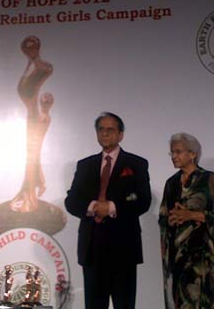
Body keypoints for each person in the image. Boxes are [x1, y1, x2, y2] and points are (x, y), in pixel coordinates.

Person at [65, 112, 151, 309]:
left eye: (110, 129)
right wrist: (93, 207)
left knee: (124, 305)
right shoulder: (85, 165)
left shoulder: (136, 164)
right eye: (101, 129)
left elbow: (143, 200)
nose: (105, 133)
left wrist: (111, 207)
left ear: (120, 135)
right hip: (92, 248)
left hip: (123, 248)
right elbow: (72, 201)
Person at [159, 133, 214, 309]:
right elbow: (163, 218)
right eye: (172, 152)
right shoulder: (171, 183)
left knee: (205, 301)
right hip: (178, 257)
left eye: (178, 151)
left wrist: (193, 215)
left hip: (203, 256)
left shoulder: (209, 180)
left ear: (192, 154)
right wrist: (171, 218)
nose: (174, 156)